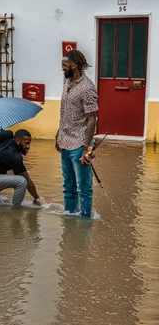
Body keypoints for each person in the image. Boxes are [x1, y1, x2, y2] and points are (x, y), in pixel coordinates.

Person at [55, 49, 98, 217]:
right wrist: (58, 135)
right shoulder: (67, 82)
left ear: (74, 65)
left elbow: (92, 119)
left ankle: (85, 223)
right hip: (64, 141)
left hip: (79, 144)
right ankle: (70, 220)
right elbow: (65, 111)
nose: (62, 69)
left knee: (84, 189)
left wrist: (86, 148)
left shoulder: (87, 88)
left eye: (64, 66)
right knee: (68, 187)